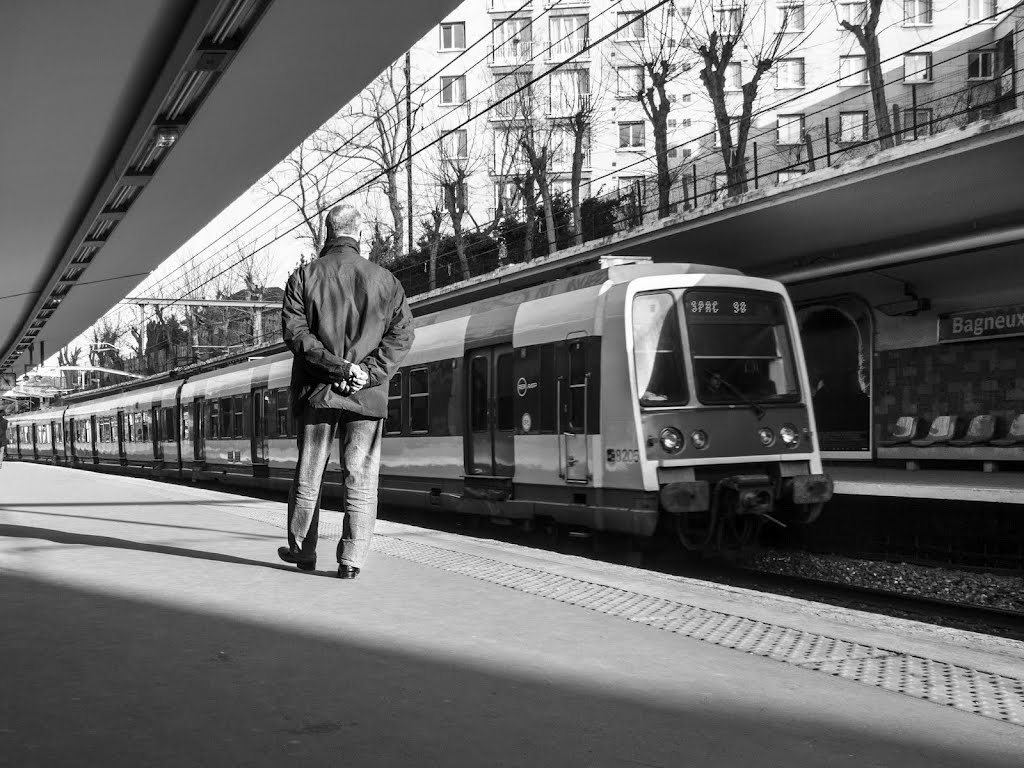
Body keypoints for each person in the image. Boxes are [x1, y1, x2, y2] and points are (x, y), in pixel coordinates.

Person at [278, 204, 414, 578]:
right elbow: (401, 336)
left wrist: (337, 368)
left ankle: (303, 551)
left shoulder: (303, 278)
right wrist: (365, 374)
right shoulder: (387, 282)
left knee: (310, 474)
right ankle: (351, 560)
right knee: (361, 477)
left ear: (327, 233)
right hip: (366, 398)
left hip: (317, 393)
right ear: (361, 234)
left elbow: (297, 337)